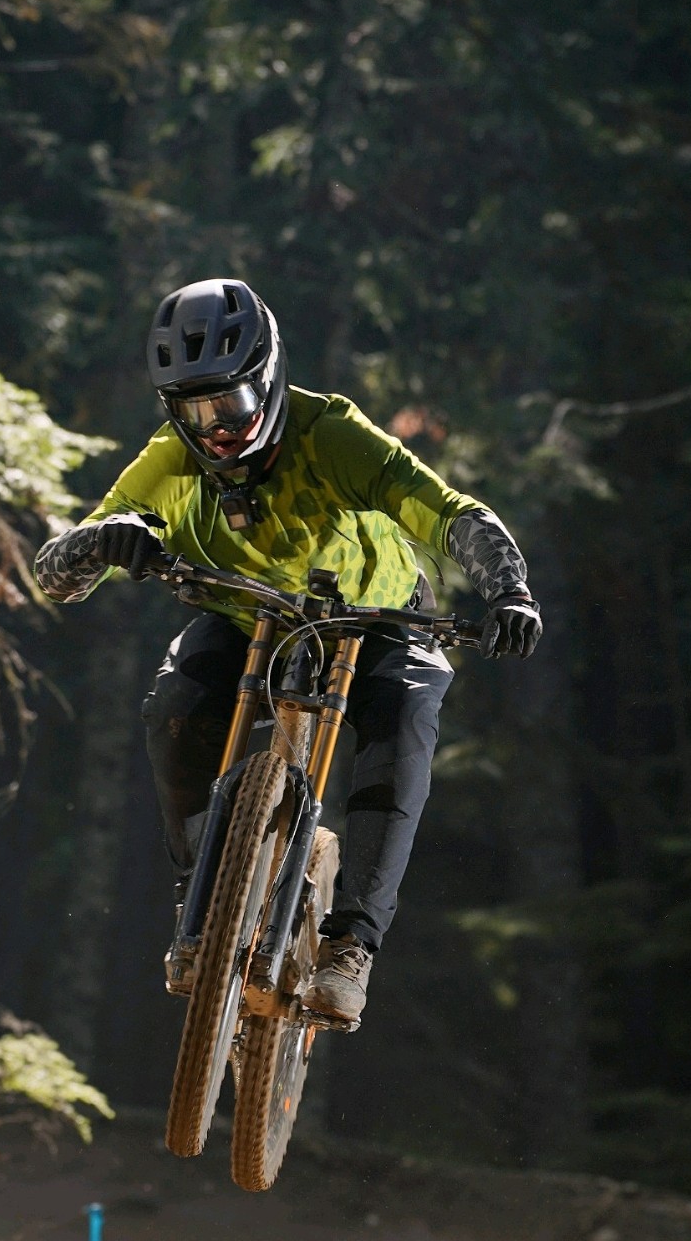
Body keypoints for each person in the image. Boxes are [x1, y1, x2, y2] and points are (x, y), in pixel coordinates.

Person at [34, 277, 541, 1027]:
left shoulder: (330, 433)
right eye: (192, 411)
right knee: (175, 707)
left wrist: (509, 588)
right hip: (247, 613)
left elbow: (447, 512)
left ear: (267, 380)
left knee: (400, 728)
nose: (215, 431)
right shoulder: (169, 461)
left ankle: (349, 947)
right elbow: (58, 573)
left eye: (228, 405)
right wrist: (97, 544)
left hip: (377, 614)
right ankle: (199, 902)